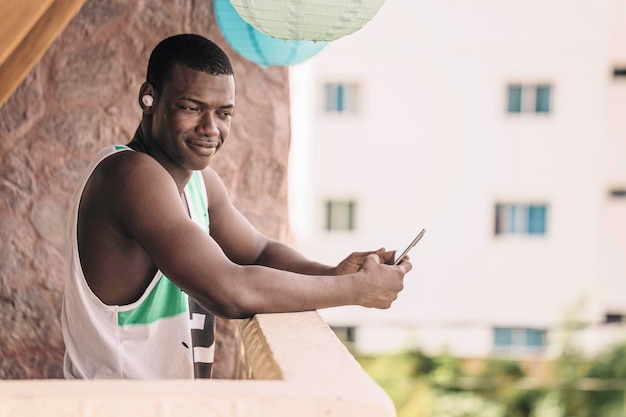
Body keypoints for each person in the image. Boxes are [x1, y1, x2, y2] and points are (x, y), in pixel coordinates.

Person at [61, 33, 412, 380]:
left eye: (223, 113)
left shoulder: (199, 182)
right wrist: (356, 291)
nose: (210, 128)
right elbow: (230, 291)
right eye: (192, 107)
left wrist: (332, 274)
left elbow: (258, 252)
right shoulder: (129, 175)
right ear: (149, 98)